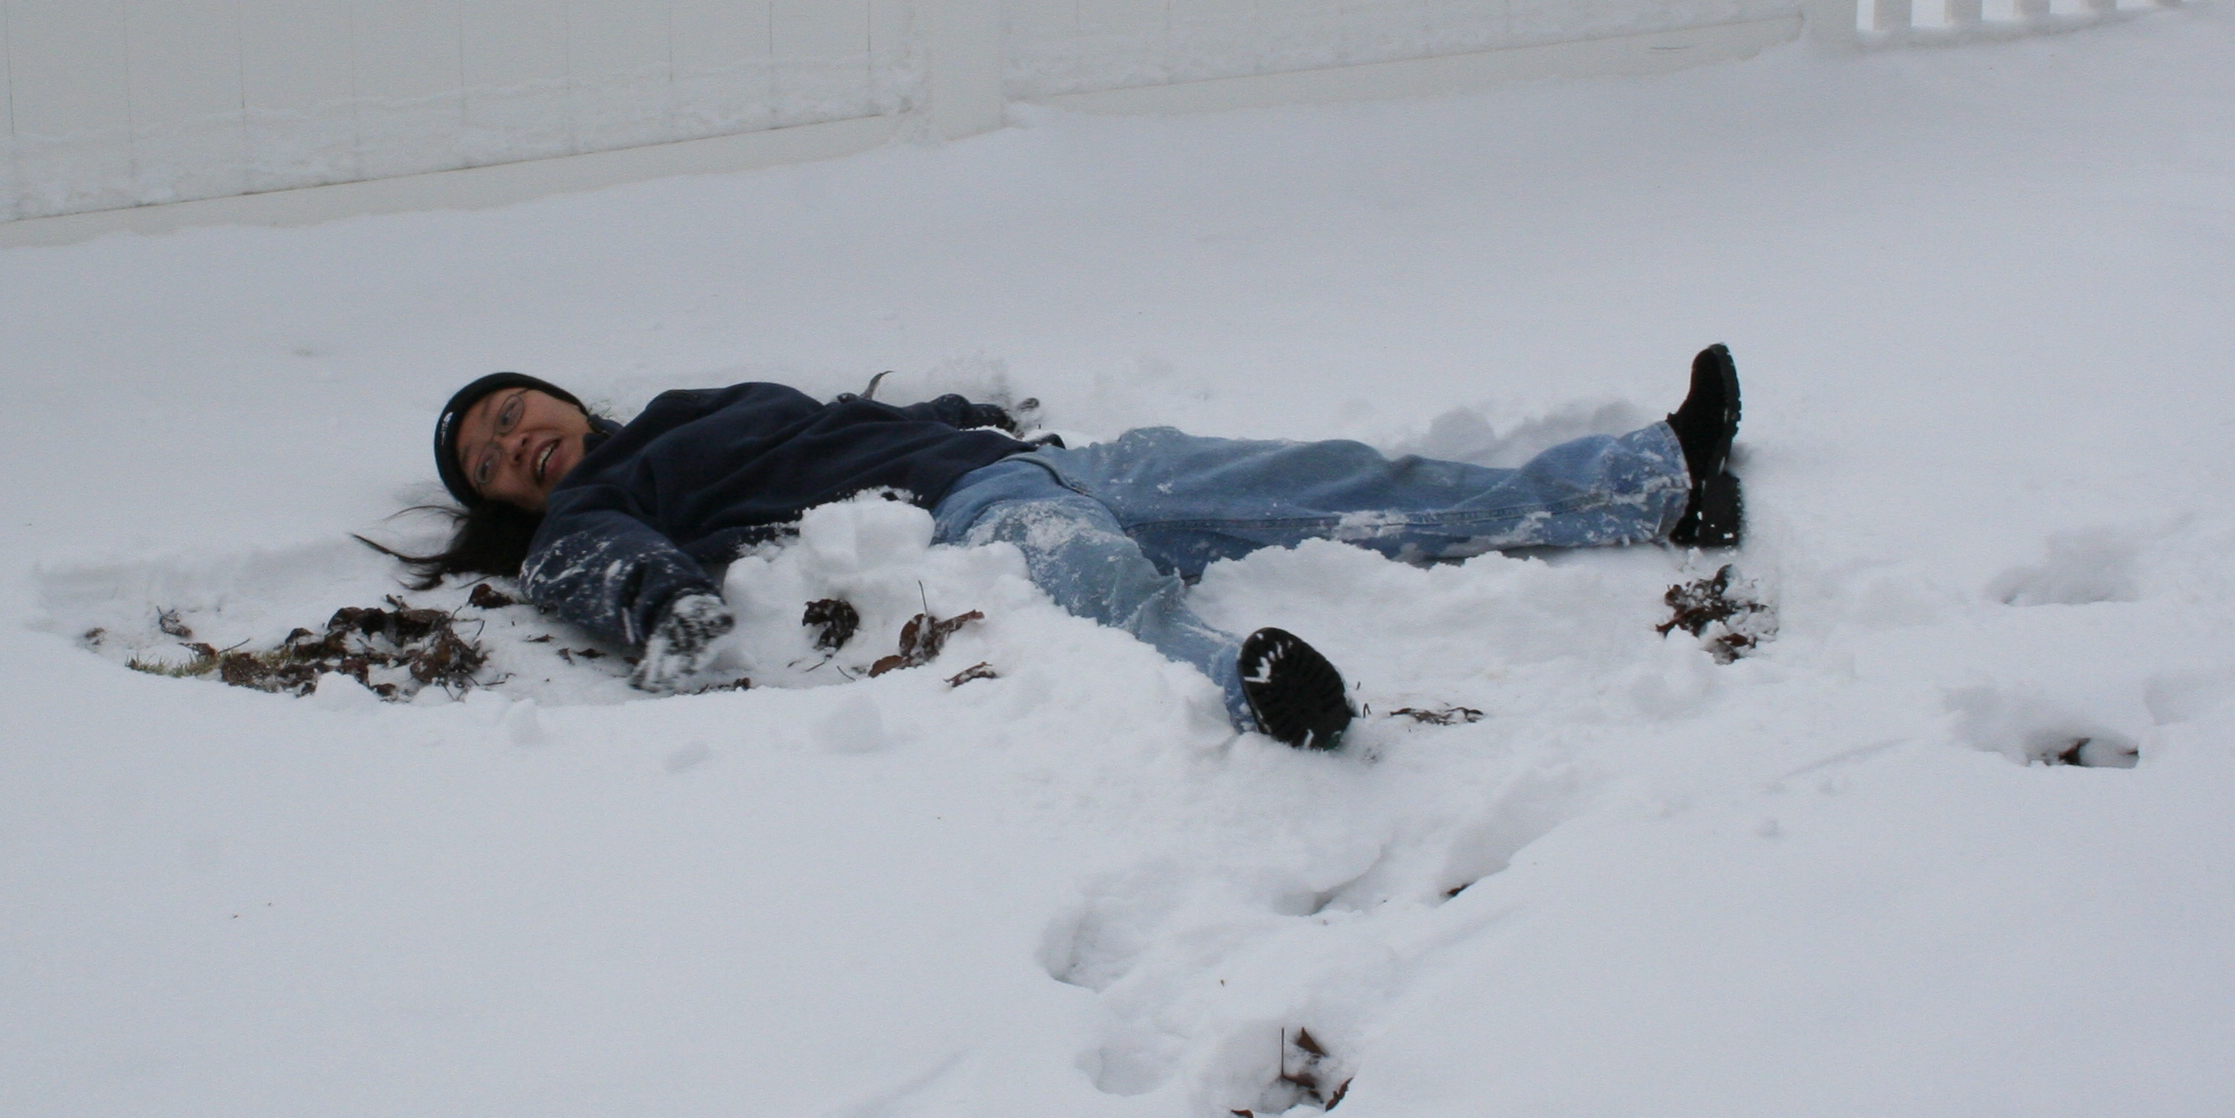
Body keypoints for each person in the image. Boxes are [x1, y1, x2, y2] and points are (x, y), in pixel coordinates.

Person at [414, 350, 1743, 750]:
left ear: (557, 394)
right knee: (1107, 593)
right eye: (488, 461)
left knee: (1335, 478)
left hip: (1051, 460)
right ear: (506, 502)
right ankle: (1260, 691)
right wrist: (664, 610)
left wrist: (963, 414)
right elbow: (592, 569)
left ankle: (1651, 484)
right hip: (969, 521)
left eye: (512, 412)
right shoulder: (592, 512)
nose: (514, 443)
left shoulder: (686, 408)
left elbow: (838, 427)